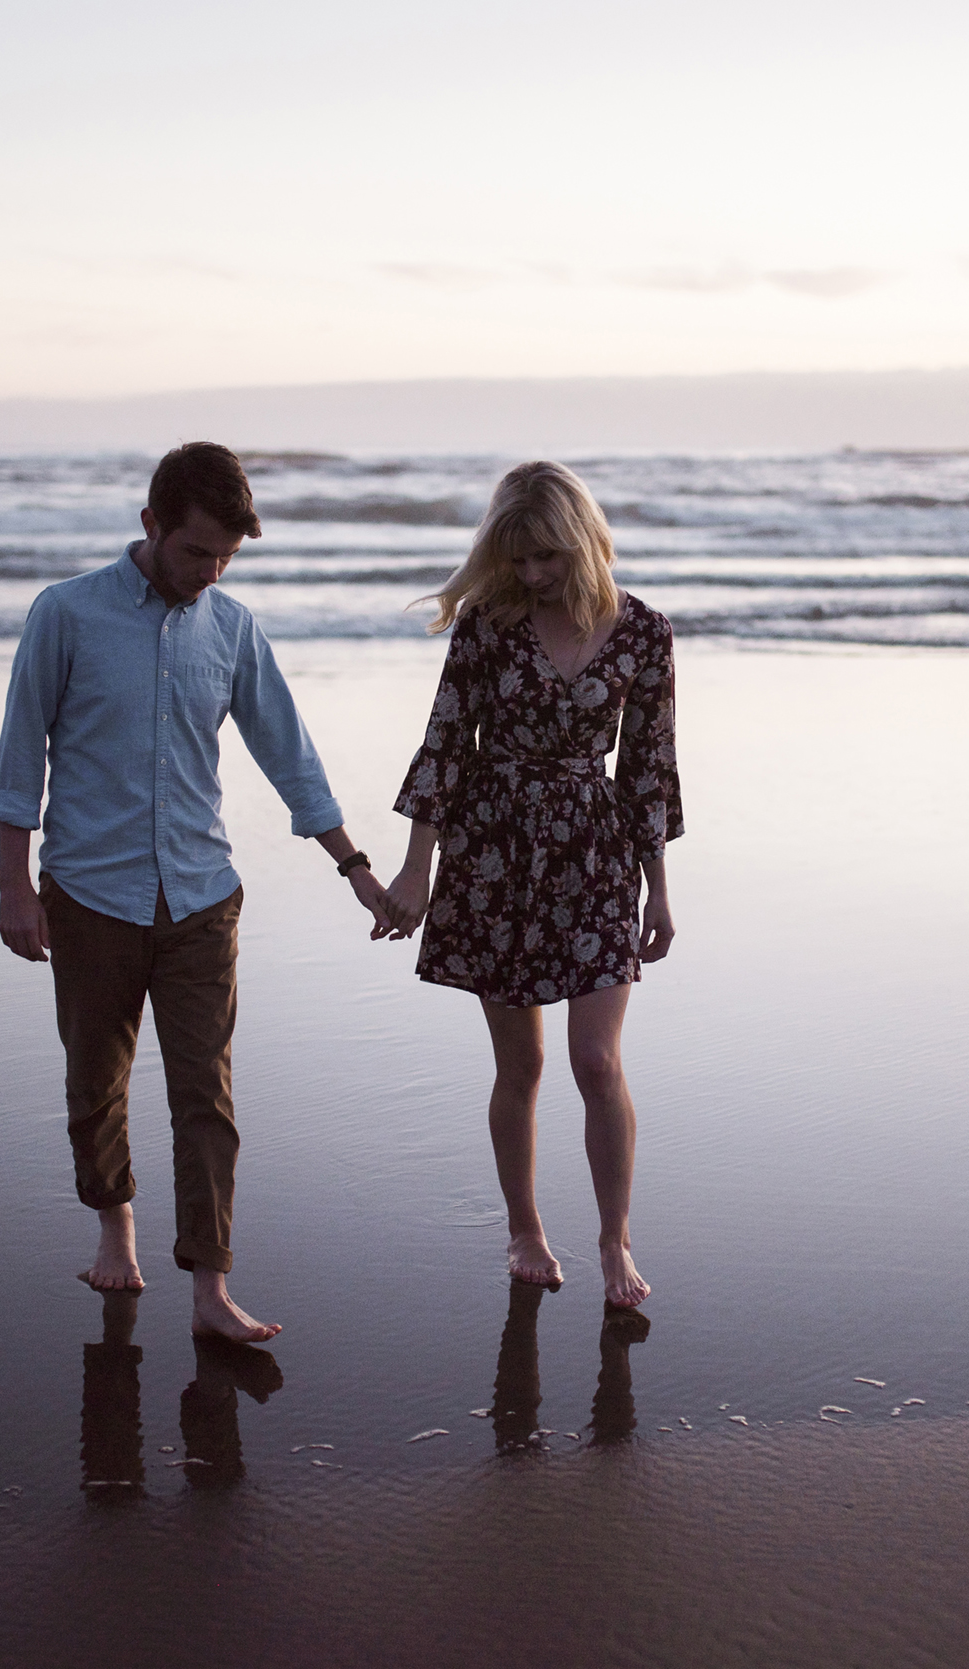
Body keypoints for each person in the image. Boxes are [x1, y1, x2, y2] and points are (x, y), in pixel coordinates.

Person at [0, 441, 401, 1343]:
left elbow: (290, 756)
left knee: (205, 1094)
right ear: (151, 526)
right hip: (90, 895)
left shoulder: (234, 627)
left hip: (202, 899)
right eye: (194, 552)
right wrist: (15, 884)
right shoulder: (65, 615)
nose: (208, 571)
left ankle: (210, 1288)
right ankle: (115, 1225)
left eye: (225, 558)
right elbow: (21, 756)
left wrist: (357, 870)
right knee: (94, 1082)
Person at [384, 461, 683, 1308]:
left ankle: (614, 1240)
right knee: (522, 1063)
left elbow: (650, 771)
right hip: (494, 855)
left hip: (594, 854)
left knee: (596, 1059)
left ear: (584, 544)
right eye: (517, 559)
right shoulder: (487, 626)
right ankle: (524, 1226)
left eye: (547, 557)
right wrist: (416, 866)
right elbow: (446, 745)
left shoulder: (645, 635)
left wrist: (658, 888)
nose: (534, 575)